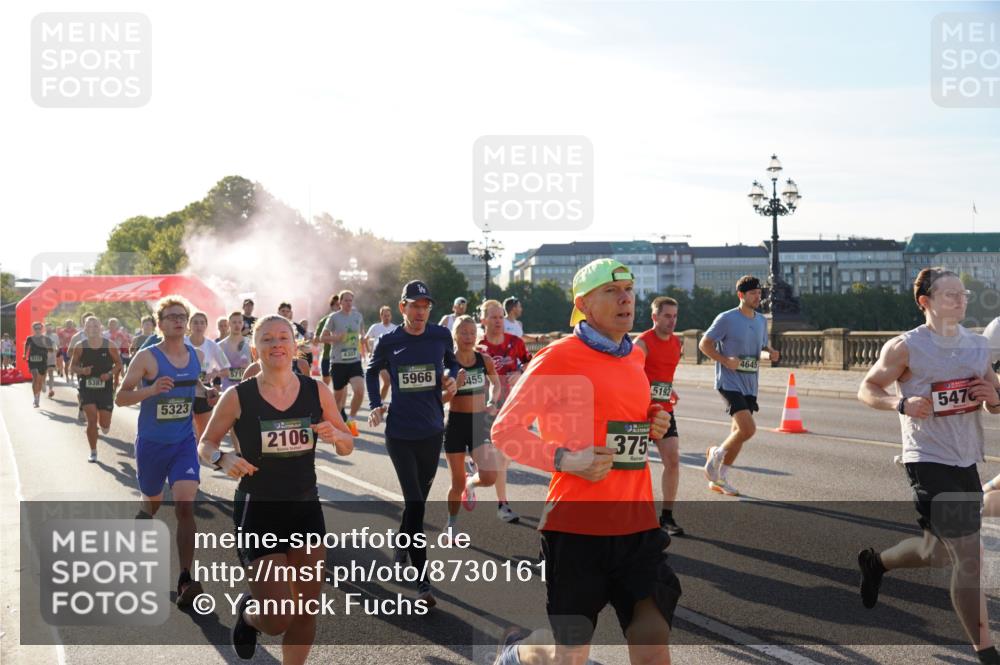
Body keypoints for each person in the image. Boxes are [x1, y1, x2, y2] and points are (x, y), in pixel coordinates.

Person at [491, 258, 680, 665]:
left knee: (653, 638)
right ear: (584, 303)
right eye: (611, 291)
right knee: (570, 653)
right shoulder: (558, 357)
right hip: (576, 529)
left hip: (637, 526)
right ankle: (517, 653)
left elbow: (624, 419)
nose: (625, 298)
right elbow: (504, 431)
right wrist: (566, 460)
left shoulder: (634, 358)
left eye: (628, 289)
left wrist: (654, 420)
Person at [856, 268, 1000, 665]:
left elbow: (993, 396)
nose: (960, 299)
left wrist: (995, 396)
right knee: (970, 552)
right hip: (926, 459)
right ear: (926, 302)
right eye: (950, 294)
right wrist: (899, 404)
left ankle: (876, 563)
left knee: (935, 552)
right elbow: (867, 388)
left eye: (963, 293)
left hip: (966, 458)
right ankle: (986, 652)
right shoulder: (906, 347)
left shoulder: (976, 346)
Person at [198, 314, 354, 662]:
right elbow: (205, 444)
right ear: (256, 348)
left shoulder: (317, 390)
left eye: (283, 337)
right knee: (276, 618)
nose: (276, 344)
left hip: (305, 508)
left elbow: (347, 444)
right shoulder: (238, 396)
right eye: (267, 339)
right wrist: (222, 459)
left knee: (306, 610)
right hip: (259, 510)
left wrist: (337, 436)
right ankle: (249, 615)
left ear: (295, 345)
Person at [366, 280, 460, 606]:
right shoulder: (389, 341)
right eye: (415, 306)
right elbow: (370, 371)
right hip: (400, 434)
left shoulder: (439, 335)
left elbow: (454, 361)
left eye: (425, 306)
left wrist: (451, 373)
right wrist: (375, 404)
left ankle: (401, 542)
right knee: (417, 504)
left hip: (433, 431)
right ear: (403, 307)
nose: (420, 312)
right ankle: (423, 583)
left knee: (416, 501)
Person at [115, 295, 205, 608]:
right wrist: (151, 390)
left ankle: (184, 577)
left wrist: (209, 392)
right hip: (152, 444)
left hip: (183, 443)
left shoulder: (195, 355)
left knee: (184, 506)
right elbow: (121, 398)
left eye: (183, 315)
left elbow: (195, 391)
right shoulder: (147, 357)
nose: (178, 321)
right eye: (171, 317)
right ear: (160, 323)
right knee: (152, 503)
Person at [698, 275, 780, 496]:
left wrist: (769, 352)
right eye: (753, 293)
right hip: (729, 381)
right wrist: (725, 361)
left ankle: (720, 478)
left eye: (759, 293)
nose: (757, 297)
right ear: (741, 295)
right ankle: (715, 454)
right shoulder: (726, 318)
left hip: (750, 383)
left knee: (738, 433)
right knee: (748, 429)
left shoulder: (762, 320)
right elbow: (704, 344)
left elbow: (761, 345)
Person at [478, 299, 532, 523]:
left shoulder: (515, 342)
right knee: (499, 459)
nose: (498, 321)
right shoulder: (478, 347)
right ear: (483, 320)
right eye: (493, 317)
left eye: (501, 317)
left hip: (514, 407)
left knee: (505, 459)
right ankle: (503, 504)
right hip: (487, 409)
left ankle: (475, 485)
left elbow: (531, 364)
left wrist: (520, 372)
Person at [635, 296, 685, 536]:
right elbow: (631, 375)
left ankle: (666, 517)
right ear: (654, 317)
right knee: (633, 467)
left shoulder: (677, 344)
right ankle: (632, 517)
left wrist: (668, 389)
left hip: (664, 411)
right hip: (638, 411)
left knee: (673, 461)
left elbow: (663, 374)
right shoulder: (642, 343)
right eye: (667, 315)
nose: (672, 320)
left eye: (675, 316)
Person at [445, 315, 500, 532]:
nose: (468, 337)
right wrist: (454, 386)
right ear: (455, 336)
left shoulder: (483, 360)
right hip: (456, 423)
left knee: (489, 477)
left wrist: (492, 400)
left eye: (471, 333)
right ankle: (451, 523)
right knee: (456, 483)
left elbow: (496, 384)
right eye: (463, 332)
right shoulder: (448, 362)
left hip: (478, 422)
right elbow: (441, 396)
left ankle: (472, 483)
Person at [69, 316, 123, 461]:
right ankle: (93, 451)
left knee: (104, 426)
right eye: (89, 326)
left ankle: (103, 421)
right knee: (91, 420)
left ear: (101, 328)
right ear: (85, 329)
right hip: (87, 387)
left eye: (95, 326)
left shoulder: (109, 345)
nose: (92, 329)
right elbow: (72, 367)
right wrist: (82, 371)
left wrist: (110, 374)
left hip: (105, 388)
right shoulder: (80, 346)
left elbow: (119, 364)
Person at [319, 291, 366, 436]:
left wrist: (362, 339)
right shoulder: (333, 317)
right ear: (340, 302)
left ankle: (351, 420)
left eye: (351, 300)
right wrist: (336, 337)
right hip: (338, 362)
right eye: (346, 300)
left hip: (354, 361)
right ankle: (334, 424)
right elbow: (322, 337)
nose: (349, 303)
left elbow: (361, 333)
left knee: (359, 390)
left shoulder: (358, 316)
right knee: (337, 399)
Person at [187, 311, 229, 441]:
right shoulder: (182, 343)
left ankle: (197, 459)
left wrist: (214, 373)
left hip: (204, 391)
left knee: (202, 434)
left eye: (202, 323)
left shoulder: (212, 346)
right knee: (188, 432)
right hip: (184, 390)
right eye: (195, 322)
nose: (198, 326)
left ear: (206, 326)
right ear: (189, 325)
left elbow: (227, 370)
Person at [364, 305, 397, 402]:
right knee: (386, 380)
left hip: (390, 359)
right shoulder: (375, 327)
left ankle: (380, 402)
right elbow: (366, 339)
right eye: (385, 315)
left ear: (391, 316)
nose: (387, 318)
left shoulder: (394, 328)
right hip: (378, 358)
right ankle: (378, 402)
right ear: (381, 316)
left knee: (388, 383)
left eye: (388, 315)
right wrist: (369, 351)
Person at [220, 312, 254, 391]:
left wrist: (230, 373)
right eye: (234, 322)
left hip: (247, 389)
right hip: (226, 391)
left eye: (240, 322)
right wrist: (241, 372)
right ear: (229, 324)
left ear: (243, 324)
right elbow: (218, 372)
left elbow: (256, 368)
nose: (237, 325)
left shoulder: (250, 343)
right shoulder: (220, 346)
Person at [23, 322, 54, 408]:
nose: (37, 330)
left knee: (39, 380)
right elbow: (26, 346)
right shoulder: (30, 338)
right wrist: (24, 354)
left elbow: (51, 350)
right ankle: (36, 399)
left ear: (42, 329)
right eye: (35, 328)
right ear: (33, 329)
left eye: (39, 328)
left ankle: (40, 390)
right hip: (32, 360)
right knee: (35, 378)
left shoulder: (46, 339)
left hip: (42, 361)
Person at [316, 294, 341, 388]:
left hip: (342, 358)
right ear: (332, 306)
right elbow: (316, 339)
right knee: (325, 384)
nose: (339, 307)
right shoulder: (324, 321)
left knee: (341, 386)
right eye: (337, 305)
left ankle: (339, 403)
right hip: (327, 356)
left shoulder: (348, 320)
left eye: (340, 304)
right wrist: (331, 339)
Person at [44, 323, 59, 398]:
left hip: (52, 357)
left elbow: (57, 346)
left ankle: (50, 389)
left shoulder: (55, 336)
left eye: (50, 328)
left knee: (51, 373)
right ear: (45, 328)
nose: (49, 329)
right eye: (47, 328)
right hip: (43, 357)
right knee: (43, 373)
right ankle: (43, 385)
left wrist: (55, 350)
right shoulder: (42, 336)